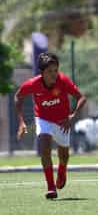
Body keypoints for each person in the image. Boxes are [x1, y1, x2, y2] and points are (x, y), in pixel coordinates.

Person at [15, 52, 87, 199]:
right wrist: (21, 121)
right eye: (49, 71)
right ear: (41, 72)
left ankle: (62, 169)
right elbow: (18, 96)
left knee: (64, 156)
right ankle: (50, 187)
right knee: (44, 147)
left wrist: (72, 116)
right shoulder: (33, 84)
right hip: (43, 119)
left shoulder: (63, 81)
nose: (54, 74)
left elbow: (81, 98)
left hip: (62, 121)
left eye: (55, 70)